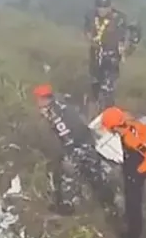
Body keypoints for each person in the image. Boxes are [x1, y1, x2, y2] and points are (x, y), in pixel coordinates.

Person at [33, 83, 115, 213]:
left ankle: (107, 205)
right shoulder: (59, 106)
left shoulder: (54, 112)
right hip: (81, 144)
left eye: (38, 98)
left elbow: (65, 133)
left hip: (79, 146)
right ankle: (106, 203)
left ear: (44, 98)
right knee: (89, 175)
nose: (37, 102)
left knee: (88, 176)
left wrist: (68, 151)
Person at [100, 105, 146, 238]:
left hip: (135, 176)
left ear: (114, 127)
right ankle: (131, 235)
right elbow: (142, 129)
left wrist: (139, 173)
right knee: (129, 205)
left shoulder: (129, 139)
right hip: (131, 171)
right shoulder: (129, 125)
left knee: (134, 210)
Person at [83, 0, 142, 113]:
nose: (102, 10)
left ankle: (108, 114)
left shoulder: (119, 18)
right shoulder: (91, 16)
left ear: (110, 6)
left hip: (111, 58)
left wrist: (126, 48)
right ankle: (95, 112)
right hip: (95, 56)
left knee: (107, 90)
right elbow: (87, 30)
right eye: (99, 7)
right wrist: (91, 38)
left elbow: (134, 32)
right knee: (95, 86)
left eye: (104, 7)